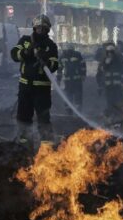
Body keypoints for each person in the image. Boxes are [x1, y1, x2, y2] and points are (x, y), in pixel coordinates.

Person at [10, 14, 60, 144]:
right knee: (23, 115)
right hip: (25, 86)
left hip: (42, 89)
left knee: (43, 117)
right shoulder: (25, 40)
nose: (41, 31)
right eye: (38, 28)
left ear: (47, 30)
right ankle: (24, 142)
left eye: (43, 29)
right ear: (34, 28)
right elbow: (14, 54)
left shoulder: (50, 46)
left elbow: (55, 65)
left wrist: (46, 61)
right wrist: (26, 52)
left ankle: (46, 144)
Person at [96, 42, 123, 116]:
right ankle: (111, 112)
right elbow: (100, 73)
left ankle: (119, 113)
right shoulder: (104, 61)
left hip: (117, 85)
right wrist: (99, 85)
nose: (110, 54)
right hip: (108, 85)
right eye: (108, 52)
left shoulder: (118, 60)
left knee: (119, 99)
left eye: (111, 52)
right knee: (109, 100)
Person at [57, 43, 87, 108]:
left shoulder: (75, 55)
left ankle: (75, 109)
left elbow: (82, 65)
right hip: (73, 80)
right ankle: (71, 109)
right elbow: (59, 69)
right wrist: (83, 75)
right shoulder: (64, 56)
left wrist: (59, 79)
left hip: (72, 80)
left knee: (73, 94)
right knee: (71, 94)